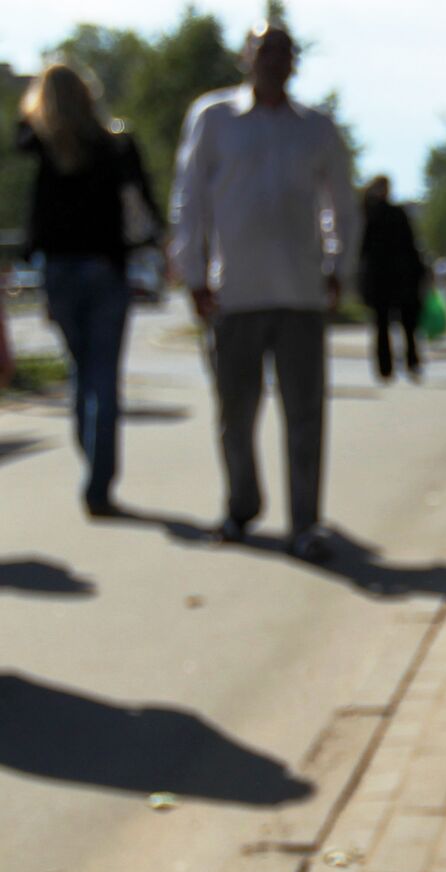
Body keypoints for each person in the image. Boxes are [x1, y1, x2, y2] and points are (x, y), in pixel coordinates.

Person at [169, 22, 359, 562]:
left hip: (300, 291)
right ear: (246, 58)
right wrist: (195, 273)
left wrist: (337, 264)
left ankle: (305, 522)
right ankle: (241, 505)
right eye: (264, 51)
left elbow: (340, 203)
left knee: (305, 413)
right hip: (235, 293)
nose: (274, 61)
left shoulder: (315, 129)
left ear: (295, 62)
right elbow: (190, 199)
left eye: (283, 52)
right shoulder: (214, 119)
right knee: (236, 410)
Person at [17, 63, 161, 517]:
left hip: (59, 272)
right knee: (102, 375)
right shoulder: (115, 144)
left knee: (82, 370)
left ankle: (94, 468)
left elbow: (20, 134)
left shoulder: (40, 144)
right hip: (105, 269)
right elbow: (145, 204)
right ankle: (99, 483)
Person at [358, 175, 425, 381]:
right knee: (391, 325)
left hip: (392, 278)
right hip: (390, 279)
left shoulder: (376, 214)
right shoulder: (374, 215)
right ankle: (396, 364)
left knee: (396, 324)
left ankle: (399, 364)